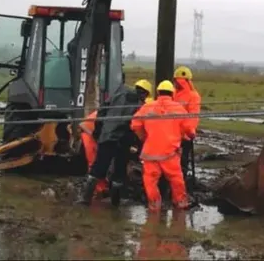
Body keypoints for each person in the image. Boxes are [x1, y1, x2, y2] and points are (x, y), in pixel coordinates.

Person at [77, 75, 152, 206]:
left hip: (107, 136)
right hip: (123, 141)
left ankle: (85, 199)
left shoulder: (118, 94)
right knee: (120, 171)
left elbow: (102, 112)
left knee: (98, 167)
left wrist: (99, 132)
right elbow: (136, 126)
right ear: (145, 93)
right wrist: (136, 145)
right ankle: (115, 203)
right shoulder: (141, 106)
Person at [131, 80, 196, 212]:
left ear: (158, 92)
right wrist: (190, 135)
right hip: (169, 153)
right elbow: (189, 128)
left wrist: (144, 137)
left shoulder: (147, 107)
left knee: (150, 180)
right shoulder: (179, 109)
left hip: (150, 153)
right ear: (172, 93)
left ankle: (154, 205)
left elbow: (135, 125)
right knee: (176, 179)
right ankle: (181, 202)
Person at [172, 66, 201, 187]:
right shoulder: (173, 93)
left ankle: (181, 180)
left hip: (185, 135)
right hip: (172, 134)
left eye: (177, 81)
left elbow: (193, 116)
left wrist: (189, 131)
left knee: (183, 159)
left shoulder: (193, 96)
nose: (176, 83)